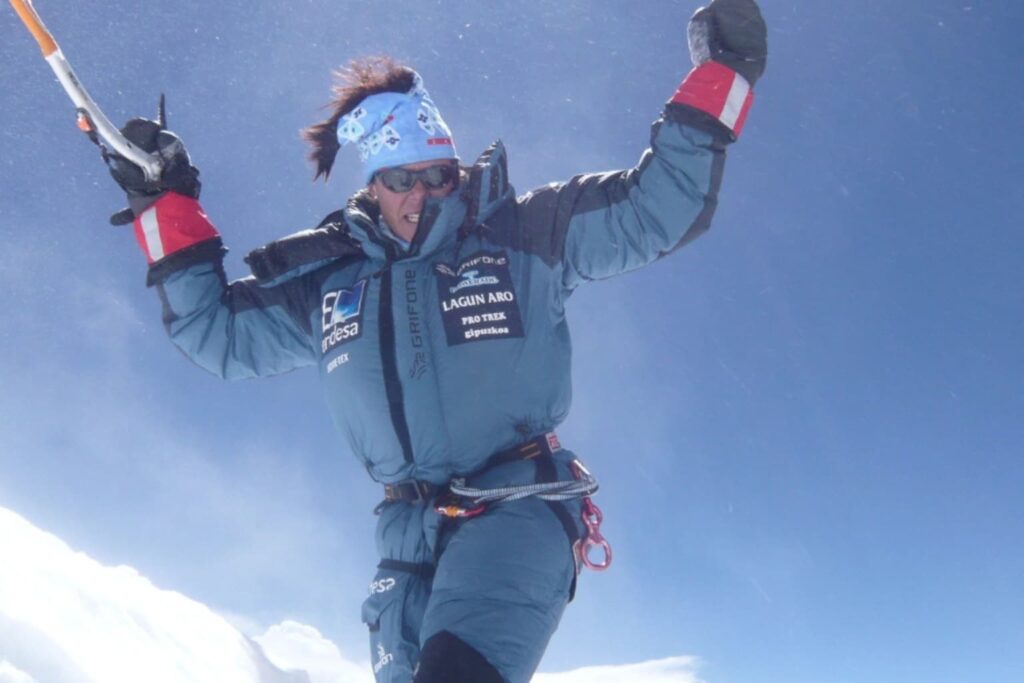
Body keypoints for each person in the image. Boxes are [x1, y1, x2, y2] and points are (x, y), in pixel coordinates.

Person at [102, 1, 767, 681]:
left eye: (436, 175)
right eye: (400, 178)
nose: (420, 195)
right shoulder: (327, 283)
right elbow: (218, 332)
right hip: (404, 542)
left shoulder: (523, 235)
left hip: (515, 510)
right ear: (374, 183)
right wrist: (165, 202)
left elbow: (657, 207)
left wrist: (722, 74)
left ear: (455, 172)